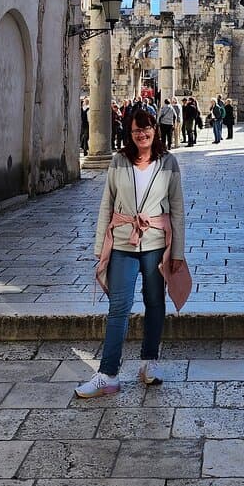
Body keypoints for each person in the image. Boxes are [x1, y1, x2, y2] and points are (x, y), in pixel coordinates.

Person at [75, 108, 185, 398]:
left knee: (155, 303)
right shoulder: (119, 161)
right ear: (130, 131)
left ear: (155, 130)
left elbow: (177, 210)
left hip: (156, 244)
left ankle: (149, 363)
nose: (142, 133)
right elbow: (106, 205)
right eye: (137, 129)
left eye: (147, 128)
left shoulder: (168, 162)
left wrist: (178, 252)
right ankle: (108, 374)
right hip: (123, 242)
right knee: (118, 308)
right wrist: (100, 247)